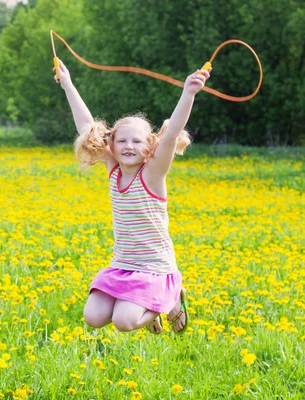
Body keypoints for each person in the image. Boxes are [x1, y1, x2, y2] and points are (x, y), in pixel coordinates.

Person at [54, 59, 211, 334]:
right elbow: (86, 127)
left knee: (124, 321)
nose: (129, 146)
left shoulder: (152, 173)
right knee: (93, 316)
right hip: (124, 265)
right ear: (111, 145)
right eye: (122, 141)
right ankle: (151, 304)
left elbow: (172, 133)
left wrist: (188, 93)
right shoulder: (114, 171)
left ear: (149, 146)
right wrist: (67, 84)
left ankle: (171, 299)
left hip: (155, 269)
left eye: (137, 141)